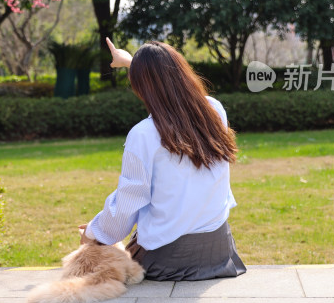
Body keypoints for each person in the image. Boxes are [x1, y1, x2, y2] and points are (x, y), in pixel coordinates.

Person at [79, 38, 246, 281]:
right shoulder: (214, 111)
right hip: (220, 252)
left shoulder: (143, 135)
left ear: (140, 87)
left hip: (170, 260)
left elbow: (127, 206)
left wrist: (95, 232)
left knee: (104, 249)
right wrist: (131, 62)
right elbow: (169, 82)